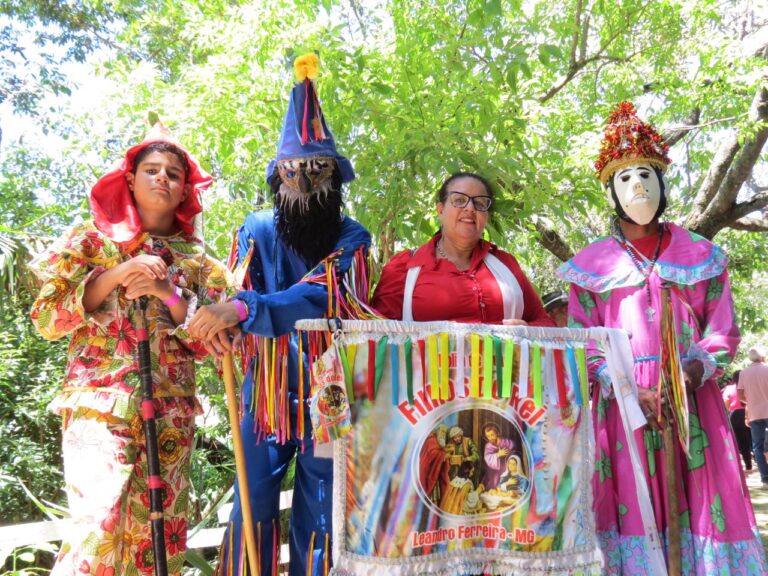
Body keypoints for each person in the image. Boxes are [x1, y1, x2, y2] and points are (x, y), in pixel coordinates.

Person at [557, 101, 766, 572]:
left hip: (693, 401)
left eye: (647, 174)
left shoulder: (702, 255)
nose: (637, 185)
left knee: (700, 504)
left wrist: (691, 372)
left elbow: (723, 329)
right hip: (624, 408)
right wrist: (630, 388)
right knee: (632, 503)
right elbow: (584, 340)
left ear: (663, 182)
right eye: (625, 176)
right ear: (611, 190)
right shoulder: (589, 269)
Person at [187, 54, 372, 576]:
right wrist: (224, 327)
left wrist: (242, 309)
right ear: (277, 174)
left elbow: (325, 294)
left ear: (335, 175)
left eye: (317, 168)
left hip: (332, 397)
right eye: (294, 169)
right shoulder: (254, 228)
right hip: (264, 396)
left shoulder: (353, 238)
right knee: (253, 510)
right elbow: (233, 297)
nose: (305, 179)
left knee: (323, 515)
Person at [30, 123, 229, 575]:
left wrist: (168, 293)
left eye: (174, 174)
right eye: (152, 169)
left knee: (158, 540)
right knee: (98, 525)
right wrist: (118, 274)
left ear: (184, 192)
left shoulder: (199, 262)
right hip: (100, 402)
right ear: (130, 180)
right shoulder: (89, 241)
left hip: (171, 411)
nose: (162, 178)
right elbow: (48, 319)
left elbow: (214, 345)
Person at [372, 171, 554, 327]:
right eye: (459, 200)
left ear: (486, 216)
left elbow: (545, 323)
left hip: (503, 368)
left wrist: (527, 331)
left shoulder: (505, 264)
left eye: (480, 203)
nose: (470, 208)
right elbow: (375, 336)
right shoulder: (405, 267)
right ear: (440, 210)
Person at [738, 347, 768, 485]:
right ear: (762, 357)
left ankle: (765, 477)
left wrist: (750, 400)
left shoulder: (743, 373)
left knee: (757, 447)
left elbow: (740, 395)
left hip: (755, 414)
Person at [723, 370, 752, 473]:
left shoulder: (729, 388)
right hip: (750, 412)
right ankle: (753, 462)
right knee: (752, 438)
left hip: (735, 415)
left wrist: (730, 410)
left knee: (739, 441)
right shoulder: (748, 386)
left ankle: (744, 465)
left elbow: (726, 401)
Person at [480, 423, 516, 489]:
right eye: (488, 436)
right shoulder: (488, 446)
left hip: (506, 466)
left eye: (492, 435)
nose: (490, 438)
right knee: (494, 480)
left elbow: (512, 446)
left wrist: (508, 453)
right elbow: (487, 457)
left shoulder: (505, 442)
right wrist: (498, 454)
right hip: (494, 469)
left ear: (497, 433)